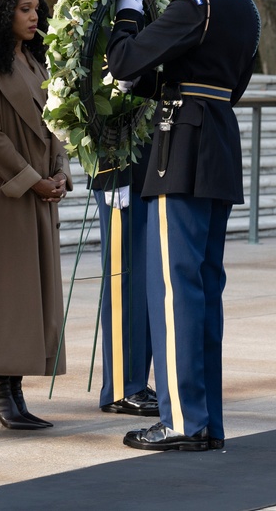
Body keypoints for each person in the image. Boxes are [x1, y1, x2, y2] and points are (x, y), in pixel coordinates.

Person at [106, 0, 260, 451]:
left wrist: (126, 13)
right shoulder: (245, 9)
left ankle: (180, 422)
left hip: (183, 153)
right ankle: (205, 420)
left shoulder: (197, 2)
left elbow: (125, 60)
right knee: (203, 292)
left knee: (174, 292)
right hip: (216, 144)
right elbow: (220, 84)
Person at [0, 0, 69, 430]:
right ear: (2, 12)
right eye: (25, 9)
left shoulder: (37, 62)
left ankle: (14, 390)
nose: (34, 17)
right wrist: (32, 180)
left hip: (40, 189)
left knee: (34, 295)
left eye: (37, 9)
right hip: (6, 193)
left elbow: (57, 124)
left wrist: (61, 171)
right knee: (7, 294)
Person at [92, 146, 158, 419]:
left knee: (144, 285)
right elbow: (103, 108)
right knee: (125, 283)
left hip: (153, 171)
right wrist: (112, 174)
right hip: (123, 174)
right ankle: (121, 387)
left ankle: (136, 382)